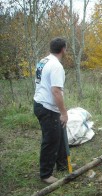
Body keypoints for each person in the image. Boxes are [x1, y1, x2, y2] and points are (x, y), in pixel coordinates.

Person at [33, 37, 68, 184]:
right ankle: (46, 174)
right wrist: (64, 113)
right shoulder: (56, 66)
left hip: (40, 103)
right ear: (63, 49)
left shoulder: (43, 60)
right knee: (51, 140)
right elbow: (56, 91)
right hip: (47, 107)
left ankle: (62, 165)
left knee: (59, 135)